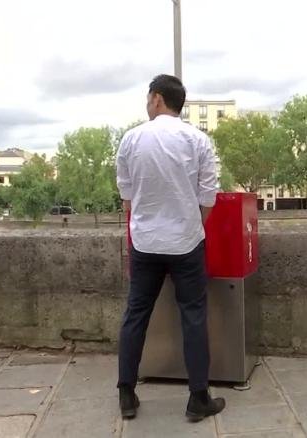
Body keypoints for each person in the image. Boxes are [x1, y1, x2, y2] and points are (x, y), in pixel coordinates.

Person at [115, 74, 225, 422]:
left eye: (148, 98)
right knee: (193, 316)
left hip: (145, 243)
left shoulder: (131, 139)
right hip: (186, 243)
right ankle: (197, 398)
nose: (147, 103)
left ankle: (126, 393)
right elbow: (208, 197)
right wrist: (191, 227)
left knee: (136, 314)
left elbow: (127, 198)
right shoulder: (198, 140)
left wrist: (141, 226)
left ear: (158, 98)